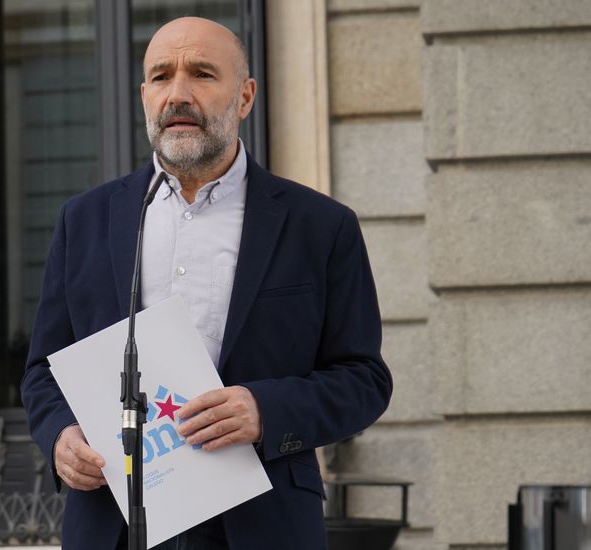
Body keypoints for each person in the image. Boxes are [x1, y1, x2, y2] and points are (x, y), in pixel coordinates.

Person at [21, 16, 392, 550]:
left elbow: (364, 381)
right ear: (143, 95)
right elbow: (42, 371)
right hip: (114, 522)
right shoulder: (84, 221)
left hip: (263, 524)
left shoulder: (321, 226)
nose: (178, 94)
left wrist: (265, 410)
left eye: (201, 73)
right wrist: (60, 437)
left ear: (244, 97)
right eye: (161, 76)